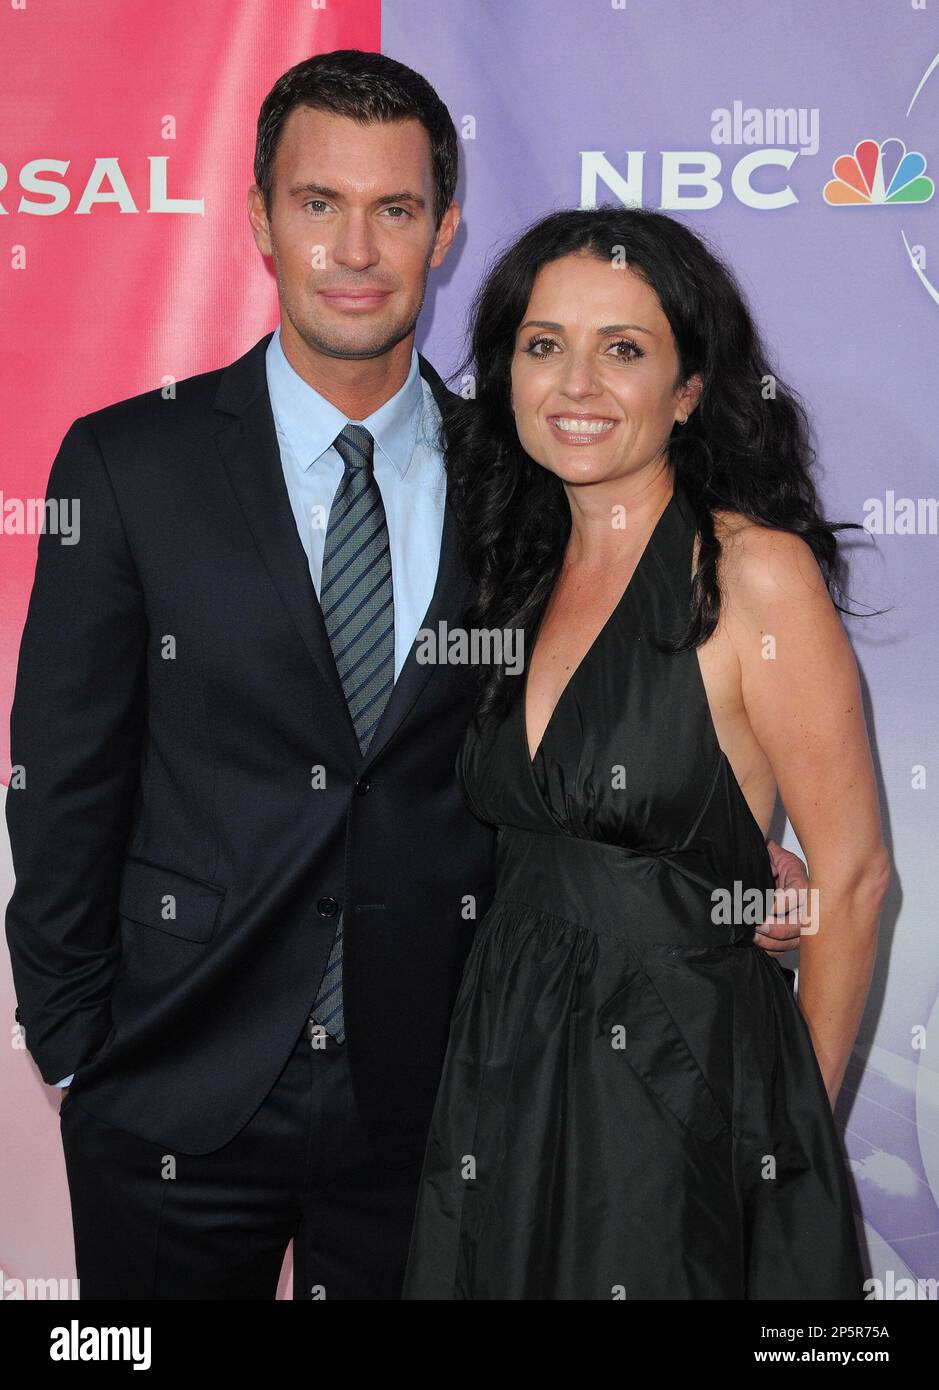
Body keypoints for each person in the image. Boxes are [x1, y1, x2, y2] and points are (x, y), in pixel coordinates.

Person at [6, 53, 806, 1301]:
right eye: (319, 204)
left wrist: (738, 856)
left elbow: (624, 710)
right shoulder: (126, 464)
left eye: (396, 209)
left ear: (445, 230)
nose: (357, 248)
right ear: (260, 218)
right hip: (170, 1089)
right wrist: (72, 1048)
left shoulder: (532, 471)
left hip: (447, 1095)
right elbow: (61, 777)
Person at [401, 206, 890, 1300]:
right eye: (544, 345)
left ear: (689, 388)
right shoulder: (508, 569)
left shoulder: (752, 573)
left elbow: (852, 882)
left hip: (680, 1094)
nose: (576, 382)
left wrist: (774, 1131)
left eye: (623, 348)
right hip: (506, 1066)